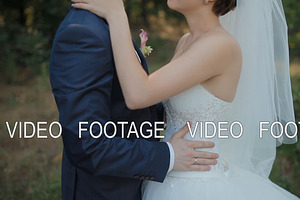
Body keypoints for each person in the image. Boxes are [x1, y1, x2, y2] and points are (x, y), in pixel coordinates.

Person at [71, 0, 300, 199]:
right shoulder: (186, 41)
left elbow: (139, 94)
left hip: (197, 183)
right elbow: (156, 99)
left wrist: (117, 16)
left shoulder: (221, 46)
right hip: (169, 173)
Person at [49, 2, 220, 200]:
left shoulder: (105, 19)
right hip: (104, 190)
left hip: (131, 181)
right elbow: (87, 145)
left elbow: (120, 104)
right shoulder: (82, 32)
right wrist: (168, 155)